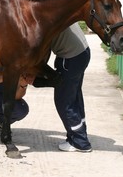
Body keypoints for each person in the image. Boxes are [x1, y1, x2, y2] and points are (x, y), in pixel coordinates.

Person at [34, 22, 92, 152]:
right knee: (75, 98)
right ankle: (78, 135)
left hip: (70, 57)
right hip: (82, 53)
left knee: (64, 101)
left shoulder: (46, 14)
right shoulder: (57, 5)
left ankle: (80, 142)